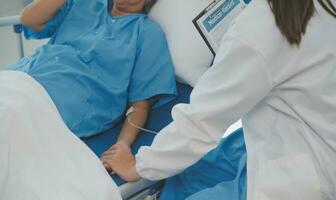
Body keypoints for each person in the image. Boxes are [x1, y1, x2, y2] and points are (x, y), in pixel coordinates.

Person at [102, 0, 336, 199]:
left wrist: (138, 167)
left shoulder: (262, 28)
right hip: (303, 135)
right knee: (184, 176)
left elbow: (203, 122)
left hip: (302, 176)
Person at [7, 0, 176, 163]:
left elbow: (140, 104)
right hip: (21, 76)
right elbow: (28, 20)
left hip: (64, 98)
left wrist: (123, 144)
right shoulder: (85, 3)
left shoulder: (146, 32)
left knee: (9, 124)